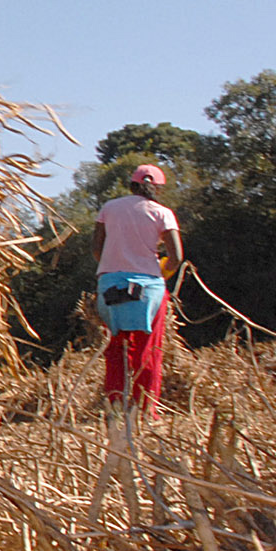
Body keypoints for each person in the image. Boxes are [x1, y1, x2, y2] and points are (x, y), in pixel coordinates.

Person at [91, 164, 184, 414]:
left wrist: (114, 264)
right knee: (148, 350)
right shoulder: (162, 213)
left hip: (110, 284)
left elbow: (97, 249)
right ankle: (145, 410)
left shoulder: (109, 208)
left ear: (131, 185)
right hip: (148, 288)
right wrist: (163, 270)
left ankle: (115, 407)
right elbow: (176, 257)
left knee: (115, 349)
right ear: (157, 188)